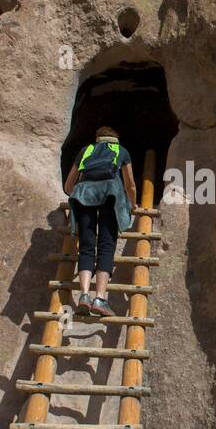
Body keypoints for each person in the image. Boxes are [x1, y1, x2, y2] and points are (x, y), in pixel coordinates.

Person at [62, 127, 137, 317]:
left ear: (97, 139)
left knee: (86, 246)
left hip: (84, 195)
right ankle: (100, 299)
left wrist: (80, 195)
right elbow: (130, 184)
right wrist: (132, 204)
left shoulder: (86, 150)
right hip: (111, 196)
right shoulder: (122, 151)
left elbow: (69, 185)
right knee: (106, 245)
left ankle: (84, 296)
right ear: (115, 139)